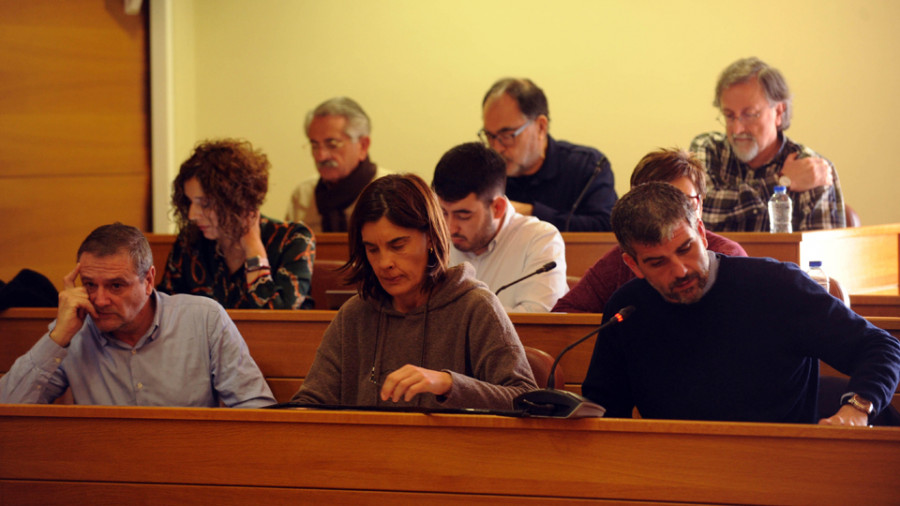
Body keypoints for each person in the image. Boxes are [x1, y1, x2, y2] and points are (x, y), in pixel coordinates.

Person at [581, 183, 900, 425]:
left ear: (702, 233)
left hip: (784, 465)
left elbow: (880, 347)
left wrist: (857, 408)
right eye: (657, 262)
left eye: (685, 248)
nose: (679, 270)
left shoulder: (776, 285)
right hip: (677, 470)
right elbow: (605, 406)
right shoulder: (627, 310)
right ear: (633, 265)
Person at [291, 174, 537, 410]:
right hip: (367, 452)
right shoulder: (354, 314)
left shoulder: (475, 306)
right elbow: (310, 401)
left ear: (430, 237)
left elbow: (524, 397)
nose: (384, 262)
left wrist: (448, 384)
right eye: (372, 249)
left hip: (452, 452)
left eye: (397, 245)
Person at [0, 223, 275, 407]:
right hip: (104, 478)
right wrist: (57, 338)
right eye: (89, 284)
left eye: (116, 286)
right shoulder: (72, 331)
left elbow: (256, 410)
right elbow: (8, 410)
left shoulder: (204, 319)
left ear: (148, 280)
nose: (99, 299)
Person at [554, 149, 747, 313]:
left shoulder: (727, 256)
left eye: (682, 202)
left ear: (700, 203)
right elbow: (565, 316)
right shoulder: (623, 258)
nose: (667, 215)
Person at [690, 57, 845, 231]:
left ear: (779, 112)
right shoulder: (708, 149)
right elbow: (698, 211)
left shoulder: (810, 169)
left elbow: (820, 254)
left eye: (749, 114)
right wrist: (781, 182)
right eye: (729, 116)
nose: (737, 129)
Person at [159, 139, 315, 309]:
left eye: (205, 204)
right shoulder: (190, 242)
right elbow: (167, 311)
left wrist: (253, 247)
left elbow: (278, 317)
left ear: (236, 201)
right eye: (189, 202)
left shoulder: (293, 239)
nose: (192, 215)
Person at [432, 142, 567, 312]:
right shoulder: (433, 238)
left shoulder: (541, 240)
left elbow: (538, 321)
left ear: (497, 208)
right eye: (443, 213)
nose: (450, 229)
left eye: (463, 215)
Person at [480, 78, 617, 232]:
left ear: (541, 127)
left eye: (507, 135)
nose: (496, 148)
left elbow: (607, 227)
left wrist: (532, 213)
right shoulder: (484, 174)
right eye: (489, 136)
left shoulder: (588, 166)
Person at [285, 97, 392, 233]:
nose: (320, 156)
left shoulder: (392, 192)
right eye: (314, 145)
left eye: (332, 144)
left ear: (363, 146)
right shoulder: (303, 195)